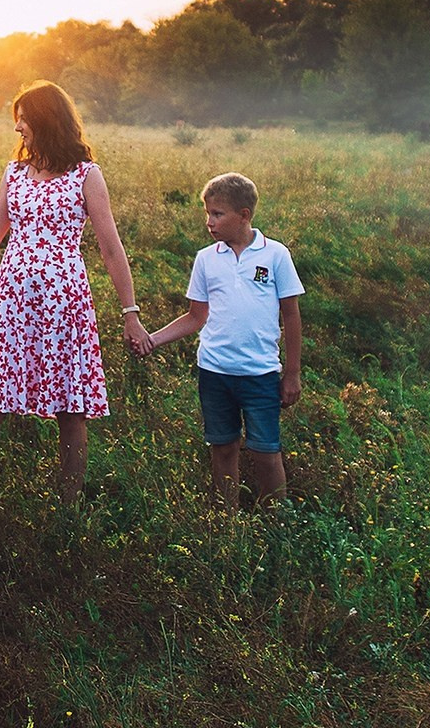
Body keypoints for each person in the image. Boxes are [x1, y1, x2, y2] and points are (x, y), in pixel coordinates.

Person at [0, 81, 140, 505]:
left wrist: (130, 312)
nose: (18, 129)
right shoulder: (14, 175)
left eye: (24, 119)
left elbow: (110, 247)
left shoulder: (86, 174)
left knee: (70, 407)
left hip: (64, 306)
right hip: (11, 303)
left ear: (47, 120)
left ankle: (68, 507)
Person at [127, 172, 303, 507]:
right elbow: (196, 316)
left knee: (265, 452)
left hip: (260, 373)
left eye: (218, 214)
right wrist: (153, 339)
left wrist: (291, 374)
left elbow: (291, 316)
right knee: (223, 448)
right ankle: (227, 521)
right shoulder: (206, 259)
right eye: (207, 213)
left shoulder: (275, 255)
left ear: (244, 215)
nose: (209, 222)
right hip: (214, 372)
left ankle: (280, 524)